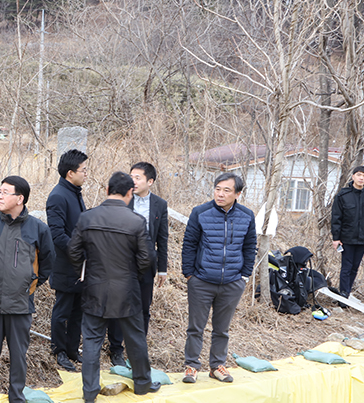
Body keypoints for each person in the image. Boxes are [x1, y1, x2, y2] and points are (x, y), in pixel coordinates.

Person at [68, 172, 158, 403]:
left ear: (107, 189)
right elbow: (147, 258)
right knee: (135, 339)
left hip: (95, 288)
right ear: (130, 193)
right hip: (127, 290)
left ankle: (89, 392)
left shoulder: (87, 218)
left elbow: (73, 251)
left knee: (91, 341)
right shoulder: (136, 221)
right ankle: (142, 384)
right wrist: (133, 275)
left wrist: (85, 272)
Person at [0, 176, 55, 403]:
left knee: (18, 356)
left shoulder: (39, 229)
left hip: (20, 305)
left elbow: (47, 264)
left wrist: (28, 285)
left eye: (5, 192)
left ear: (20, 198)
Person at [181, 172, 257, 384]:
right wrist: (189, 274)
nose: (220, 194)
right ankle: (191, 366)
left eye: (226, 190)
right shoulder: (200, 212)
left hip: (232, 282)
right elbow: (189, 244)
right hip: (201, 281)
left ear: (237, 194)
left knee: (222, 329)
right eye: (218, 189)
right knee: (195, 327)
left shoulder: (247, 215)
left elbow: (250, 246)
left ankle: (217, 366)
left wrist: (244, 275)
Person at [106, 162, 169, 365]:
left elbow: (162, 238)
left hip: (147, 264)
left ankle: (137, 348)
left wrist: (162, 269)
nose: (133, 181)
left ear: (150, 181)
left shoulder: (159, 204)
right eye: (131, 176)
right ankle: (116, 349)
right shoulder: (123, 200)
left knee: (143, 307)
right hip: (122, 263)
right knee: (119, 305)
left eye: (138, 177)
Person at [46, 149, 88, 373]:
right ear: (70, 173)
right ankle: (59, 351)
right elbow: (57, 235)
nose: (86, 174)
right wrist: (79, 251)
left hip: (80, 267)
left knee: (77, 311)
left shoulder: (75, 192)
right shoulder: (58, 196)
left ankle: (72, 349)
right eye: (83, 170)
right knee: (62, 311)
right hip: (65, 266)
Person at [330, 165, 364, 301]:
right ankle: (343, 296)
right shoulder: (343, 195)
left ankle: (347, 292)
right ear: (353, 176)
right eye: (359, 175)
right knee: (346, 268)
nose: (361, 178)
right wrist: (336, 238)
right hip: (346, 238)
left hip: (363, 238)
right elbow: (336, 218)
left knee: (355, 267)